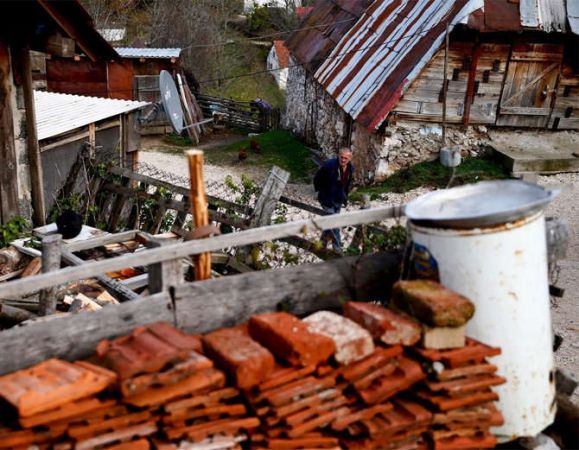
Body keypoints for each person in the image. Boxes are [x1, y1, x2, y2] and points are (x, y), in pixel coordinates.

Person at [313, 147, 354, 251]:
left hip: (338, 199)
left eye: (346, 158)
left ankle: (321, 245)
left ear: (350, 158)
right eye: (342, 157)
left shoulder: (350, 168)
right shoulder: (329, 165)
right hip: (327, 199)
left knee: (329, 222)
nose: (343, 160)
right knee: (334, 222)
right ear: (338, 156)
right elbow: (317, 178)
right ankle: (338, 247)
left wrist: (345, 197)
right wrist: (321, 191)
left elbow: (347, 184)